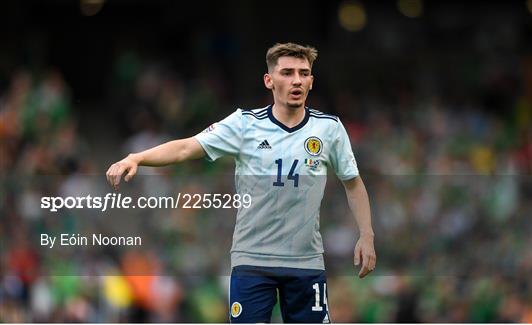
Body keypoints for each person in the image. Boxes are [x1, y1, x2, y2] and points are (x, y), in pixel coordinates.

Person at [106, 42, 376, 323]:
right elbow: (187, 147)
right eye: (287, 72)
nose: (296, 79)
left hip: (305, 262)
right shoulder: (245, 124)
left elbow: (353, 183)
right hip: (253, 261)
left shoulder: (329, 128)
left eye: (303, 73)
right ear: (269, 80)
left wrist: (366, 235)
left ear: (311, 81)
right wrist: (137, 158)